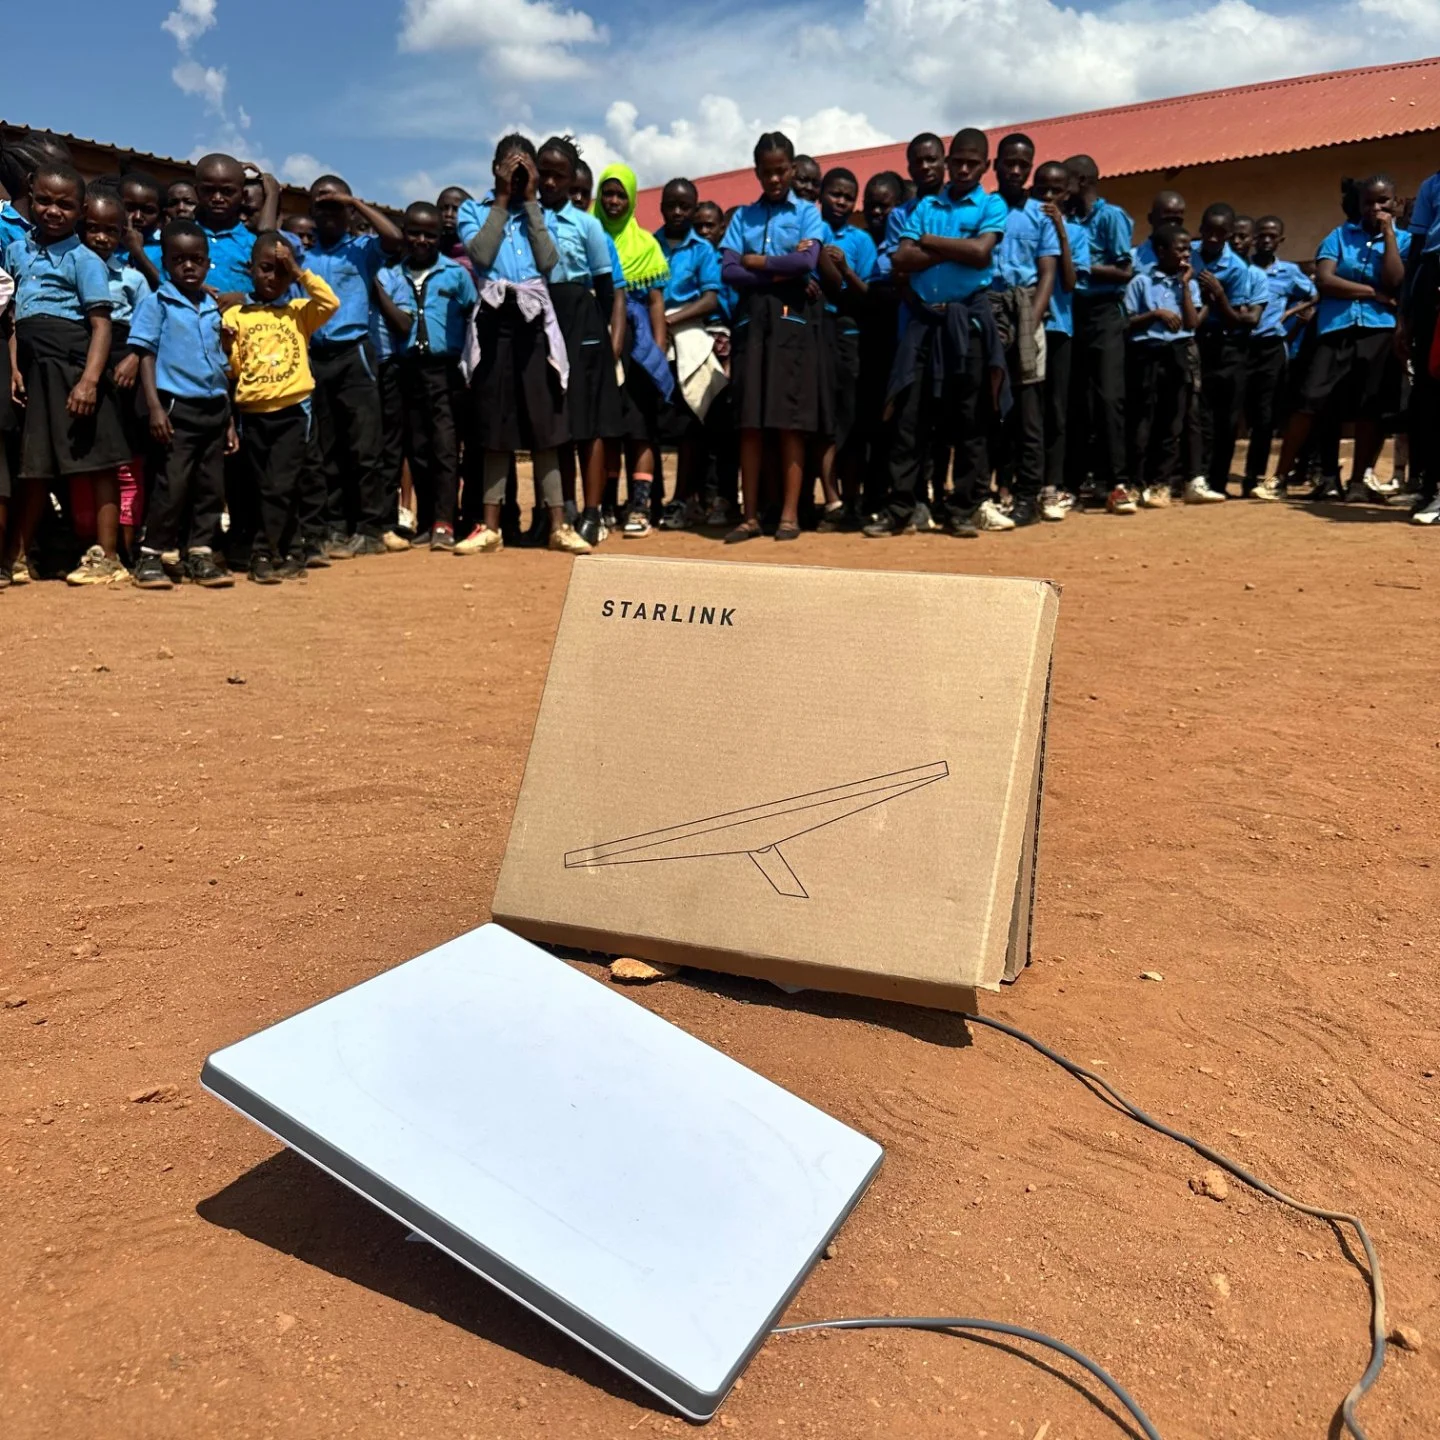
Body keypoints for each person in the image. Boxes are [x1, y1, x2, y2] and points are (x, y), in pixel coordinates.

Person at [863, 128, 1009, 539]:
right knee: (909, 418)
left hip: (969, 321)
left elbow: (982, 253)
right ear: (948, 162)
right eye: (956, 161)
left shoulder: (991, 204)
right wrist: (955, 247)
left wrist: (929, 242)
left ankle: (961, 509)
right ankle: (900, 508)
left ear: (986, 166)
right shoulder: (926, 204)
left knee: (970, 417)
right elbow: (901, 261)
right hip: (924, 321)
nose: (962, 169)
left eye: (972, 163)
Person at [455, 133, 584, 556]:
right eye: (510, 167)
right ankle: (490, 527)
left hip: (534, 320)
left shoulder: (540, 213)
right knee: (495, 423)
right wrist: (501, 200)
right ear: (494, 169)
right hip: (495, 318)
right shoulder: (473, 211)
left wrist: (529, 201)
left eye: (524, 167)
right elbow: (482, 256)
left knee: (546, 423)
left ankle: (558, 525)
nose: (517, 174)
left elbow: (549, 262)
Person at [4, 162, 131, 586]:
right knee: (35, 465)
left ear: (80, 212)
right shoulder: (17, 249)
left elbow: (100, 324)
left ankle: (108, 557)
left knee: (96, 460)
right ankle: (18, 558)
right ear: (29, 197)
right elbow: (15, 319)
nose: (53, 211)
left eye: (65, 205)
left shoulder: (84, 259)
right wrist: (14, 368)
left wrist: (91, 381)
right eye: (44, 201)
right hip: (34, 367)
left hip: (74, 363)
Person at [1268, 175, 1410, 503]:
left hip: (1379, 331)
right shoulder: (1339, 236)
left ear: (1394, 202)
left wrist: (1389, 234)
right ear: (1358, 206)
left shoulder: (1402, 240)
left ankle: (1359, 482)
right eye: (1368, 202)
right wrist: (1373, 292)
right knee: (1313, 400)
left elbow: (1397, 280)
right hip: (1335, 329)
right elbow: (1326, 280)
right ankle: (1285, 477)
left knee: (1370, 407)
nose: (1375, 208)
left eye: (1382, 202)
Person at [719, 131, 827, 543]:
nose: (775, 179)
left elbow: (808, 261)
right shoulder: (743, 217)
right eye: (767, 172)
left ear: (793, 169)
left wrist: (758, 261)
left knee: (789, 419)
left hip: (790, 321)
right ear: (757, 173)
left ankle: (788, 515)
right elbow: (728, 271)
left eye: (782, 170)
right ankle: (749, 517)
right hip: (751, 320)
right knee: (750, 421)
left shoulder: (807, 214)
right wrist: (782, 269)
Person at [221, 232, 340, 582]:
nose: (273, 278)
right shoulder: (237, 316)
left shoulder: (298, 312)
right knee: (266, 486)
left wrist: (299, 271)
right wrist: (227, 346)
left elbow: (329, 302)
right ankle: (291, 551)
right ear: (251, 270)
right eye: (265, 269)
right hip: (254, 414)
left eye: (281, 272)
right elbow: (236, 370)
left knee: (279, 484)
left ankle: (262, 553)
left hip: (293, 412)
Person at [128, 220, 236, 589]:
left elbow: (222, 367)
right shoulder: (157, 302)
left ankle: (201, 553)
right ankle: (152, 555)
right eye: (179, 260)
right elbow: (145, 355)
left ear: (208, 263)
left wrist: (230, 420)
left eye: (197, 259)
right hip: (177, 407)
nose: (188, 267)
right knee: (171, 485)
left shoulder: (214, 305)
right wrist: (155, 407)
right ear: (166, 261)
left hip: (214, 408)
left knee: (210, 486)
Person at [304, 174, 406, 556]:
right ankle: (334, 525)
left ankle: (370, 527)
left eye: (336, 207)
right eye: (321, 206)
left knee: (365, 445)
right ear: (312, 211)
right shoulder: (304, 255)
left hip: (355, 354)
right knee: (326, 447)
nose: (329, 214)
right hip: (316, 355)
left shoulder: (362, 249)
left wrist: (354, 201)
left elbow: (395, 239)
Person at [533, 137, 625, 547]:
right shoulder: (524, 220)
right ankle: (558, 508)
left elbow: (606, 288)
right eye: (544, 173)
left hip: (582, 321)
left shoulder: (588, 226)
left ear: (572, 179)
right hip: (539, 317)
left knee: (589, 423)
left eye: (559, 175)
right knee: (554, 421)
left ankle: (592, 511)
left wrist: (597, 337)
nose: (550, 181)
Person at [374, 202, 477, 552]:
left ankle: (446, 522)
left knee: (445, 448)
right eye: (414, 233)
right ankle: (427, 518)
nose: (421, 240)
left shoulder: (455, 274)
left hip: (444, 370)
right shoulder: (393, 273)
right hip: (408, 370)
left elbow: (471, 316)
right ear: (404, 235)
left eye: (429, 234)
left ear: (439, 236)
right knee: (417, 448)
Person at [598, 163, 673, 537]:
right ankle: (607, 504)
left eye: (620, 195)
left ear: (630, 200)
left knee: (640, 428)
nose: (613, 201)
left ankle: (640, 506)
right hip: (600, 341)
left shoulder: (646, 244)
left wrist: (657, 349)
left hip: (638, 343)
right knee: (608, 428)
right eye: (607, 193)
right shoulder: (589, 235)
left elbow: (656, 301)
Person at [988, 134, 1059, 525]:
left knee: (1029, 411)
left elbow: (1047, 274)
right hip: (990, 310)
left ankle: (1028, 496)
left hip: (1028, 311)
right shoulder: (983, 208)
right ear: (996, 165)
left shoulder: (1041, 215)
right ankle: (990, 488)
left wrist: (1027, 325)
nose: (1016, 170)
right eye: (1009, 163)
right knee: (991, 409)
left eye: (1023, 164)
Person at [78, 189, 148, 559]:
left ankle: (127, 543)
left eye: (110, 231)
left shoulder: (133, 279)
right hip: (83, 357)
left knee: (126, 454)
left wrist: (136, 355)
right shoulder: (69, 268)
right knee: (90, 452)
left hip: (123, 361)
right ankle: (87, 537)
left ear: (123, 233)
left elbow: (149, 323)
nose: (101, 238)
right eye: (92, 229)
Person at [653, 176, 724, 531]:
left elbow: (710, 299)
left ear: (694, 208)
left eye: (685, 206)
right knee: (650, 420)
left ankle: (681, 499)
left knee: (689, 422)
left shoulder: (703, 250)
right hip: (652, 335)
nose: (677, 211)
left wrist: (671, 320)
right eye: (671, 205)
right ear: (661, 206)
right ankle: (648, 498)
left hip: (689, 333)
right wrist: (657, 326)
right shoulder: (650, 245)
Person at [1064, 154, 1132, 506]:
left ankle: (1117, 480)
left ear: (1084, 180)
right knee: (1078, 400)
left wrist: (1080, 267)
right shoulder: (1068, 219)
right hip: (1075, 312)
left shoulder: (1110, 217)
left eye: (1067, 181)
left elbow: (1124, 271)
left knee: (1109, 398)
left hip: (1105, 312)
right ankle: (1076, 481)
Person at [1124, 224, 1206, 507]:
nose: (1186, 254)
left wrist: (1184, 284)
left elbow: (1193, 323)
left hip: (1178, 353)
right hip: (1147, 353)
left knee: (1173, 420)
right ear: (1161, 251)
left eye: (1188, 249)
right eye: (1180, 248)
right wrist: (1155, 314)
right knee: (1143, 420)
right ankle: (1136, 482)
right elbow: (1126, 322)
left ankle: (1161, 483)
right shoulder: (1141, 283)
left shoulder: (1189, 284)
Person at [814, 166, 877, 528]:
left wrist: (842, 269)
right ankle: (832, 499)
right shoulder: (811, 228)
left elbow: (863, 292)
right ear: (822, 194)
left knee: (850, 420)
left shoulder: (862, 240)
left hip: (849, 331)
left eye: (847, 196)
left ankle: (853, 498)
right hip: (816, 330)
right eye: (834, 194)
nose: (840, 201)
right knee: (824, 420)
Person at [1190, 202, 1263, 501]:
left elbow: (1239, 321)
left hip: (1229, 345)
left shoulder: (1238, 269)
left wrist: (1218, 295)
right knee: (1197, 414)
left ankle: (1218, 480)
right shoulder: (1188, 254)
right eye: (1208, 231)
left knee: (1227, 418)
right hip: (1197, 341)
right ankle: (1194, 476)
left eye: (1221, 233)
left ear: (1230, 234)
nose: (1213, 238)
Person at [1244, 216, 1315, 500]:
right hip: (1241, 345)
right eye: (1261, 235)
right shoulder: (1244, 268)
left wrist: (1287, 315)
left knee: (1264, 417)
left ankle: (1254, 476)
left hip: (1272, 344)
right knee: (1238, 411)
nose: (1265, 240)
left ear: (1280, 241)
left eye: (1272, 236)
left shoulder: (1289, 272)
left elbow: (1314, 295)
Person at [1032, 160, 1088, 520]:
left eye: (1056, 190)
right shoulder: (1021, 223)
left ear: (1067, 194)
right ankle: (1022, 482)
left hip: (1059, 329)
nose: (1049, 196)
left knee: (1055, 410)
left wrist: (1061, 232)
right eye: (1043, 189)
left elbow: (1069, 283)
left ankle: (1051, 485)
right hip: (1025, 326)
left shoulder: (1077, 234)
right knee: (1025, 411)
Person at [1404, 167, 1440, 524]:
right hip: (1433, 278)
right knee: (1431, 388)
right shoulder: (1431, 185)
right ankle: (1431, 485)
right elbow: (1415, 252)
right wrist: (1405, 315)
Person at [1131, 191, 1185, 277]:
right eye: (1167, 220)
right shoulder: (1134, 259)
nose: (1172, 226)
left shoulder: (1192, 256)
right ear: (1151, 219)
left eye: (1177, 221)